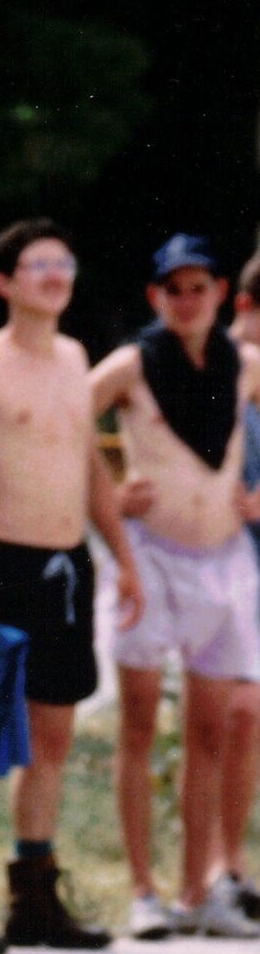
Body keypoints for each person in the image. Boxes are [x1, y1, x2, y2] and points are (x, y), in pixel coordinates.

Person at [0, 219, 142, 954]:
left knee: (52, 738)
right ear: (5, 282)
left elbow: (89, 469)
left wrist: (123, 558)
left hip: (66, 566)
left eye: (64, 262)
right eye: (38, 265)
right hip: (2, 565)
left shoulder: (76, 359)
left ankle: (35, 897)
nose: (55, 275)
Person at [89, 232, 260, 939]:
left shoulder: (243, 363)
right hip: (150, 560)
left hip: (224, 560)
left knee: (212, 730)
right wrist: (106, 501)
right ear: (156, 295)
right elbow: (63, 426)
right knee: (135, 725)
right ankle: (143, 888)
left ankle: (200, 890)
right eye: (173, 289)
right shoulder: (132, 363)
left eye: (199, 288)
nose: (187, 301)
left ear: (221, 293)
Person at [211, 246, 260, 916]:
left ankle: (232, 865)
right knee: (234, 717)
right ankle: (223, 868)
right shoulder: (213, 367)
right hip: (219, 562)